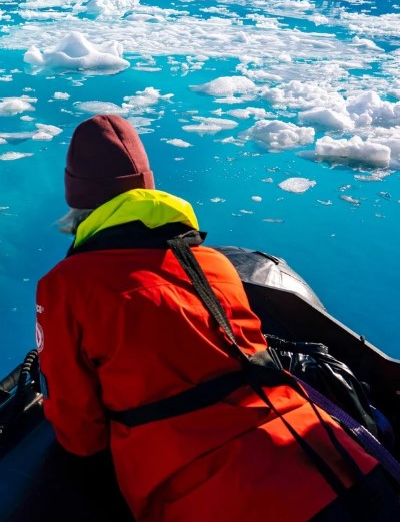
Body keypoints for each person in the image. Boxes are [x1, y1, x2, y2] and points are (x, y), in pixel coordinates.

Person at [35, 114, 398, 521]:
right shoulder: (213, 263)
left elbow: (79, 435)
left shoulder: (66, 286)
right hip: (342, 462)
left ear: (78, 201)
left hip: (219, 497)